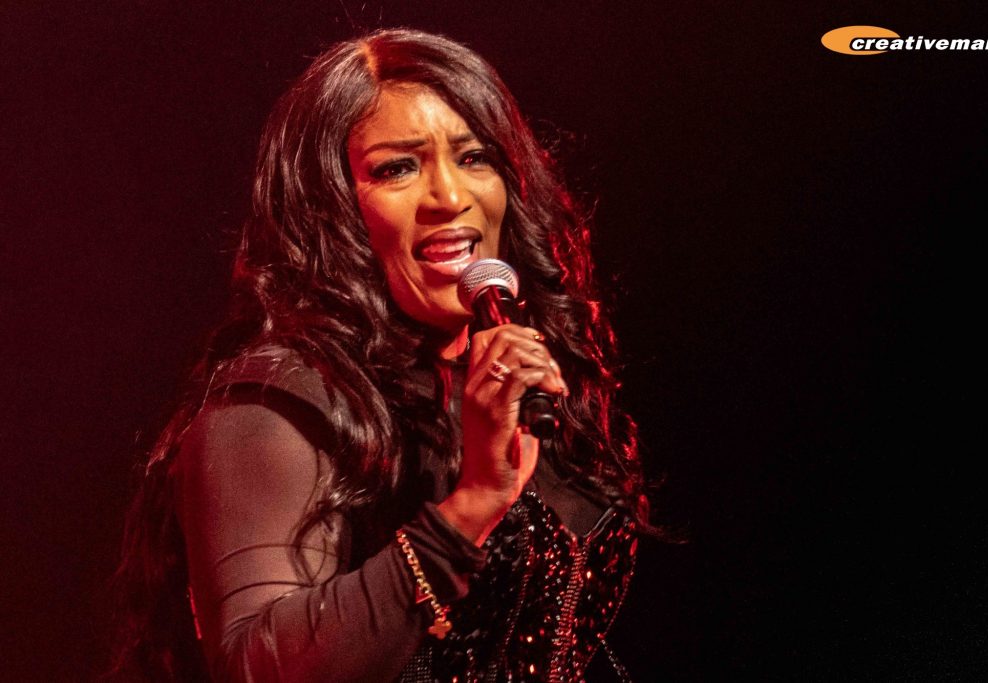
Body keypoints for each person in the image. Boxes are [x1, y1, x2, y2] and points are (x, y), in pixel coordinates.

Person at [111, 28, 648, 682]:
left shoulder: (521, 383)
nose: (450, 196)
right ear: (331, 207)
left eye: (474, 157)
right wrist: (472, 504)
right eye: (398, 168)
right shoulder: (274, 403)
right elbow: (257, 665)